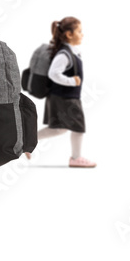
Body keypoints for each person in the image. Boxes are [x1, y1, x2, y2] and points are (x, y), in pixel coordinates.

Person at [32, 16, 96, 167]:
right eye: (79, 31)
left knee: (58, 129)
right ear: (69, 34)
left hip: (65, 97)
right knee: (78, 128)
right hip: (64, 98)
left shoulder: (72, 52)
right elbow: (53, 73)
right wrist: (72, 81)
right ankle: (76, 158)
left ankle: (28, 142)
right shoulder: (64, 54)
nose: (82, 34)